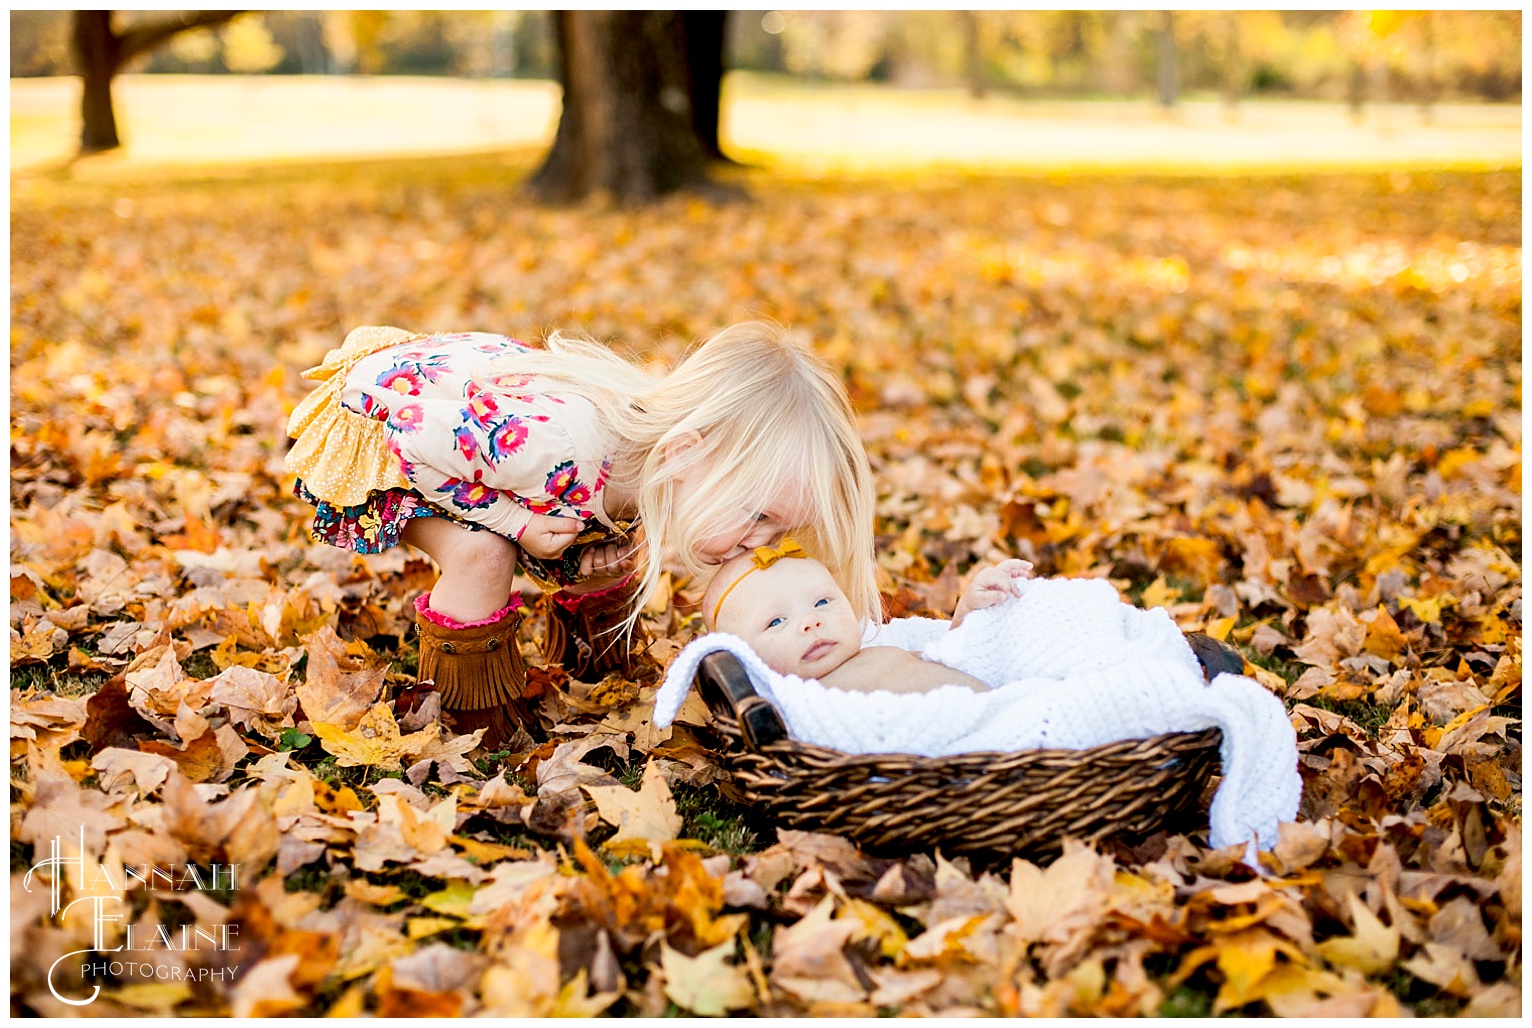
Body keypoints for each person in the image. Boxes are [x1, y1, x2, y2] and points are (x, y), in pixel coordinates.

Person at [286, 322, 878, 748]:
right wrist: (516, 524)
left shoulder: (650, 465)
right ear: (685, 452)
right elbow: (412, 440)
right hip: (379, 422)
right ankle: (468, 720)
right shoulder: (556, 451)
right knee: (482, 554)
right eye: (757, 516)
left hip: (475, 436)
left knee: (607, 549)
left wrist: (579, 549)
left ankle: (592, 663)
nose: (760, 544)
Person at [702, 539, 1034, 693]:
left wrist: (969, 609)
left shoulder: (879, 648)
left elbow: (954, 652)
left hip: (1003, 701)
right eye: (776, 621)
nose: (811, 622)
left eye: (821, 602)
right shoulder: (803, 703)